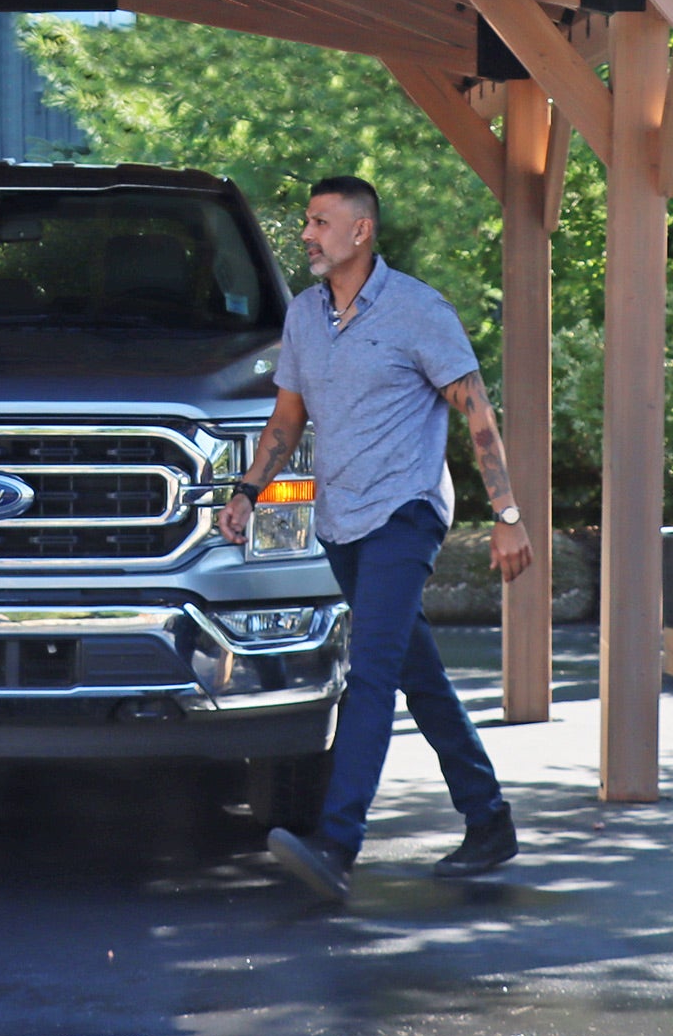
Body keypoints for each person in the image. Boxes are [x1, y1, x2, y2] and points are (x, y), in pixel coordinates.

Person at [219, 176, 531, 903]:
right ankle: (488, 819)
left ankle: (338, 841)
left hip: (405, 512)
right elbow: (287, 421)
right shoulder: (304, 316)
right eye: (306, 222)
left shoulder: (419, 311)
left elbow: (476, 410)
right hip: (342, 523)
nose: (307, 235)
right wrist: (246, 491)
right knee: (416, 672)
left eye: (321, 222)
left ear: (361, 233)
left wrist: (509, 516)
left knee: (372, 671)